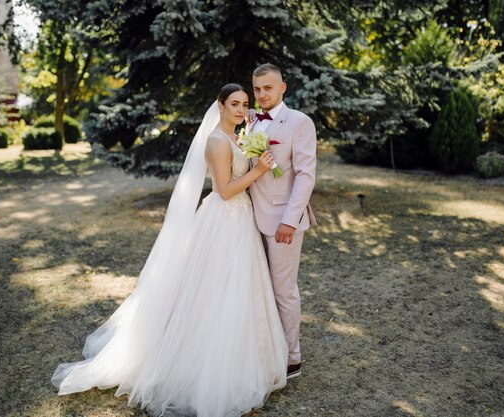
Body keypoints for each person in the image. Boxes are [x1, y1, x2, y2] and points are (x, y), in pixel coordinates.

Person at [51, 84, 288, 417]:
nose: (240, 109)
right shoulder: (218, 142)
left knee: (238, 290)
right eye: (234, 104)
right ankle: (199, 365)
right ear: (219, 106)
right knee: (211, 290)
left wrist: (258, 156)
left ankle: (239, 358)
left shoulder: (240, 137)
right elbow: (223, 191)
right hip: (223, 219)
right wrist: (259, 171)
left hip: (241, 221)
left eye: (244, 103)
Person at [247, 63, 317, 379]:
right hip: (249, 218)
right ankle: (265, 348)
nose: (262, 94)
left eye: (268, 88)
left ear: (282, 88)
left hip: (281, 222)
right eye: (258, 89)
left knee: (283, 291)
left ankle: (292, 358)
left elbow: (305, 175)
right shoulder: (249, 123)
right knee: (258, 288)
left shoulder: (299, 123)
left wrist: (290, 220)